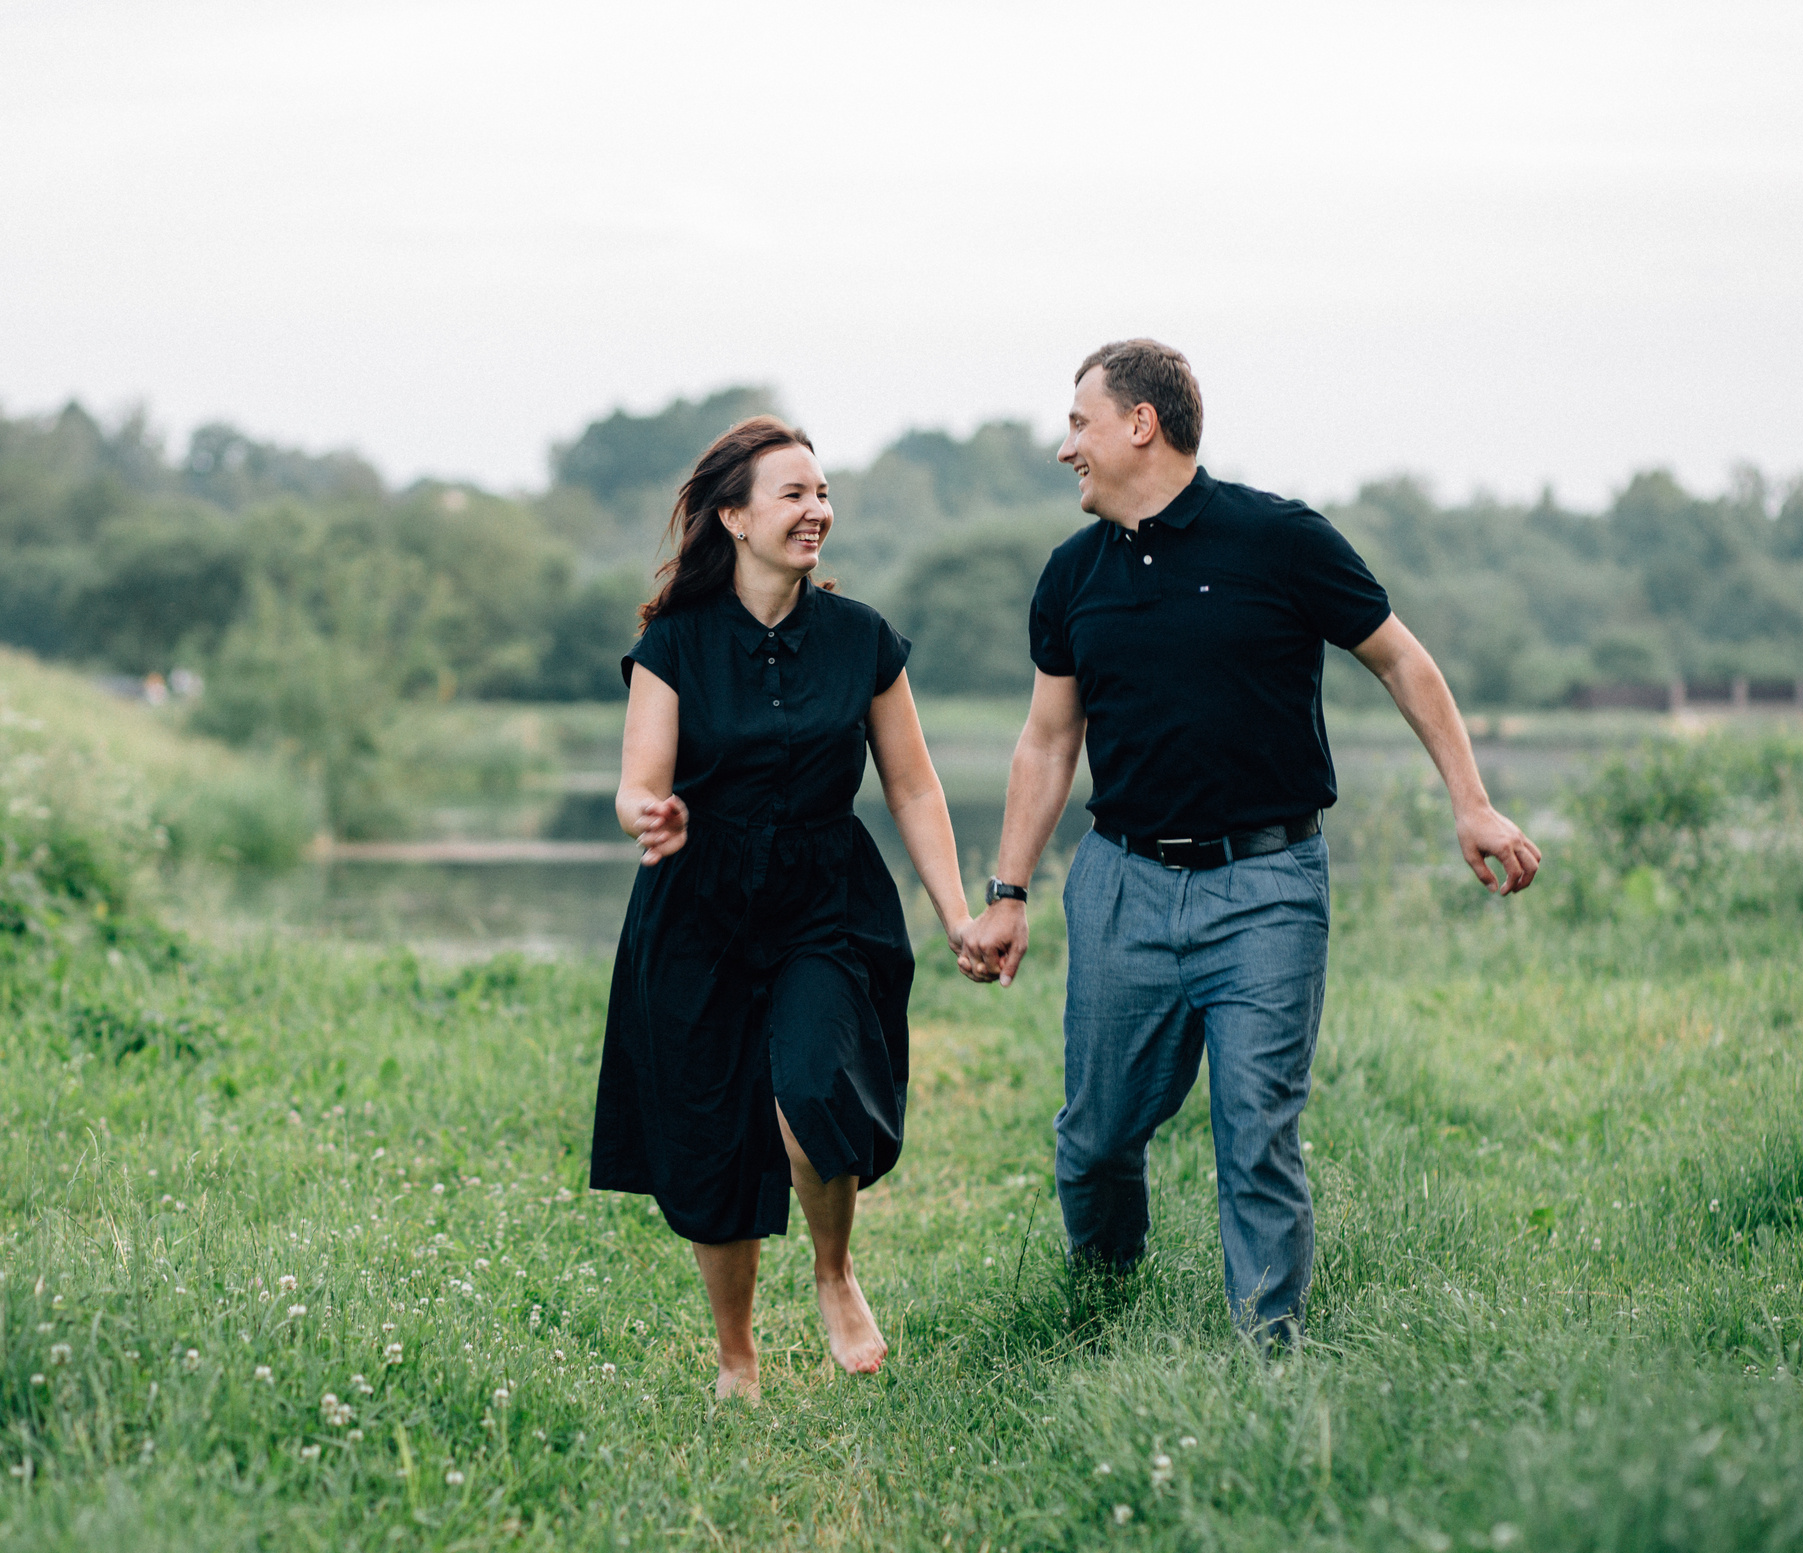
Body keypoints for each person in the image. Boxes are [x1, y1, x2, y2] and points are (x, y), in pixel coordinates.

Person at [953, 339, 1541, 1347]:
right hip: (1121, 886)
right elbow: (1048, 742)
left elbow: (1401, 662)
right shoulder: (1070, 575)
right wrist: (1006, 890)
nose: (1066, 449)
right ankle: (1099, 1308)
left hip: (1266, 884)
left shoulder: (1280, 540)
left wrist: (1472, 802)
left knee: (1255, 1132)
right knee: (1095, 1142)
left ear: (1141, 423)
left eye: (1078, 423)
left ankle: (1269, 1359)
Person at [592, 415, 978, 1400]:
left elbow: (914, 788)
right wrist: (653, 813)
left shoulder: (861, 641)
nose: (817, 512)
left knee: (814, 1089)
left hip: (824, 899)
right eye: (793, 495)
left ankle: (834, 1270)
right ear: (732, 516)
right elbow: (638, 782)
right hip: (696, 905)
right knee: (711, 1137)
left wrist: (955, 912)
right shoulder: (672, 643)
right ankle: (736, 1358)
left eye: (822, 492)